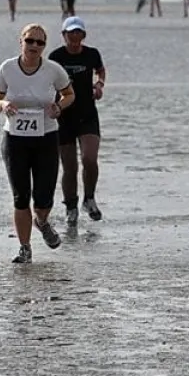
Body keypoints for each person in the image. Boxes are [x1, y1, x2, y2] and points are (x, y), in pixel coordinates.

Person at [0, 24, 75, 263]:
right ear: (21, 42)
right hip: (15, 139)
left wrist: (59, 106)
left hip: (46, 137)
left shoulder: (53, 70)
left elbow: (69, 94)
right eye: (30, 41)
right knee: (20, 196)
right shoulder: (7, 68)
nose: (34, 46)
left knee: (43, 198)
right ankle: (24, 248)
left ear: (44, 46)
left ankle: (43, 221)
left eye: (40, 43)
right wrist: (4, 105)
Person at [50, 16, 106, 229]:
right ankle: (71, 207)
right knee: (69, 167)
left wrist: (99, 84)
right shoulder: (56, 56)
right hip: (64, 116)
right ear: (64, 35)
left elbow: (100, 70)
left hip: (88, 115)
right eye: (70, 33)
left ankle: (89, 200)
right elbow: (47, 80)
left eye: (78, 33)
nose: (74, 37)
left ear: (83, 35)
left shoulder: (92, 54)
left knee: (90, 159)